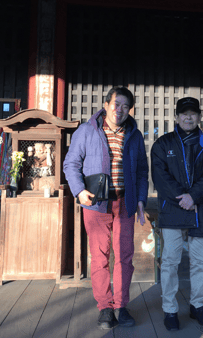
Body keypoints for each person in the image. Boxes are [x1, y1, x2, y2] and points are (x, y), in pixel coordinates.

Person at [63, 87, 149, 330]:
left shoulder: (134, 135)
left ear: (129, 110)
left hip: (125, 202)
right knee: (99, 257)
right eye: (116, 104)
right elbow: (71, 164)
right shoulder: (87, 130)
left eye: (125, 106)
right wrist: (79, 190)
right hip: (96, 203)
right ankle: (105, 307)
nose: (119, 109)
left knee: (124, 256)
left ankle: (121, 305)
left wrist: (141, 199)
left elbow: (142, 171)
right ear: (106, 104)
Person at [150, 97, 203, 331]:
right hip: (172, 210)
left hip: (200, 210)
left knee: (199, 263)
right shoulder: (162, 144)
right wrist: (183, 198)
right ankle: (170, 309)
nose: (188, 117)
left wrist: (193, 197)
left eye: (193, 113)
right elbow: (160, 178)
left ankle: (197, 306)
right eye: (184, 113)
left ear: (199, 117)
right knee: (170, 262)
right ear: (176, 116)